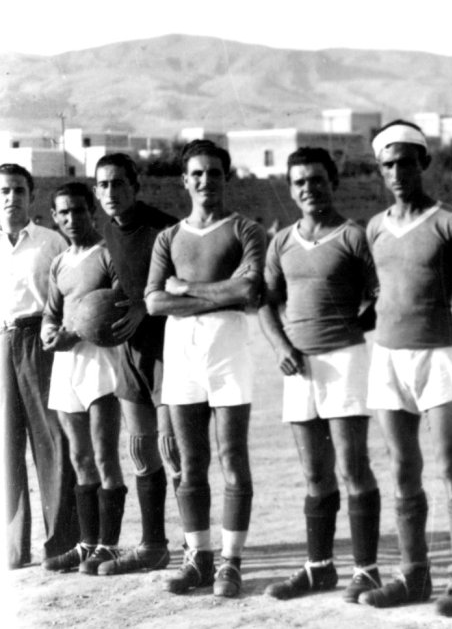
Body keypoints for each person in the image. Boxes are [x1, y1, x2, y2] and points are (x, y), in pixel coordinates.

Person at [362, 120, 452, 613]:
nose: (397, 173)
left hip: (439, 356)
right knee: (402, 467)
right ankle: (413, 575)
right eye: (387, 165)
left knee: (451, 464)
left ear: (424, 163)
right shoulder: (375, 227)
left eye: (406, 163)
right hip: (388, 358)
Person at [258, 148, 382, 602]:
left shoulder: (353, 236)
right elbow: (265, 303)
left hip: (344, 360)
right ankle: (319, 569)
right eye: (299, 182)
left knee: (352, 466)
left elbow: (382, 295)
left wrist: (352, 328)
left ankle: (366, 570)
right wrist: (281, 347)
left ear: (333, 183)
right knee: (314, 472)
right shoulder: (281, 242)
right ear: (290, 189)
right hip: (299, 366)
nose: (308, 188)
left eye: (316, 180)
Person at [145, 140, 266, 597]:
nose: (205, 181)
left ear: (225, 177)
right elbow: (154, 301)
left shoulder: (245, 229)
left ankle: (231, 562)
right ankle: (199, 557)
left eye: (214, 172)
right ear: (184, 180)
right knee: (190, 461)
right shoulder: (168, 238)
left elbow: (249, 292)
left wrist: (186, 289)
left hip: (228, 348)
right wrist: (220, 291)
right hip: (182, 352)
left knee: (233, 457)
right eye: (196, 173)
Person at [91, 153, 179, 575]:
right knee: (142, 450)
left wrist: (148, 305)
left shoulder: (165, 229)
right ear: (96, 191)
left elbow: (185, 284)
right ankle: (152, 546)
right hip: (129, 348)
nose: (111, 191)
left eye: (119, 183)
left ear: (135, 186)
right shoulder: (106, 228)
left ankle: (195, 546)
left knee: (173, 450)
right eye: (104, 185)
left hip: (168, 347)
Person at [38, 182, 128, 574]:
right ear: (54, 217)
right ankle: (86, 544)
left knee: (105, 454)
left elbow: (120, 303)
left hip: (100, 358)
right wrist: (49, 330)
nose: (71, 218)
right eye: (64, 212)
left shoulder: (108, 254)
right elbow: (51, 311)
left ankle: (109, 545)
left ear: (92, 211)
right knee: (79, 456)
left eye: (78, 210)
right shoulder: (59, 262)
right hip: (66, 363)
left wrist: (73, 333)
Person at [1, 163, 78, 569]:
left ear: (31, 197)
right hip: (1, 341)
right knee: (5, 445)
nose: (11, 198)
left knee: (50, 440)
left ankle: (61, 542)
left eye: (18, 190)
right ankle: (13, 547)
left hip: (39, 340)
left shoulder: (51, 242)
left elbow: (71, 291)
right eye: (4, 191)